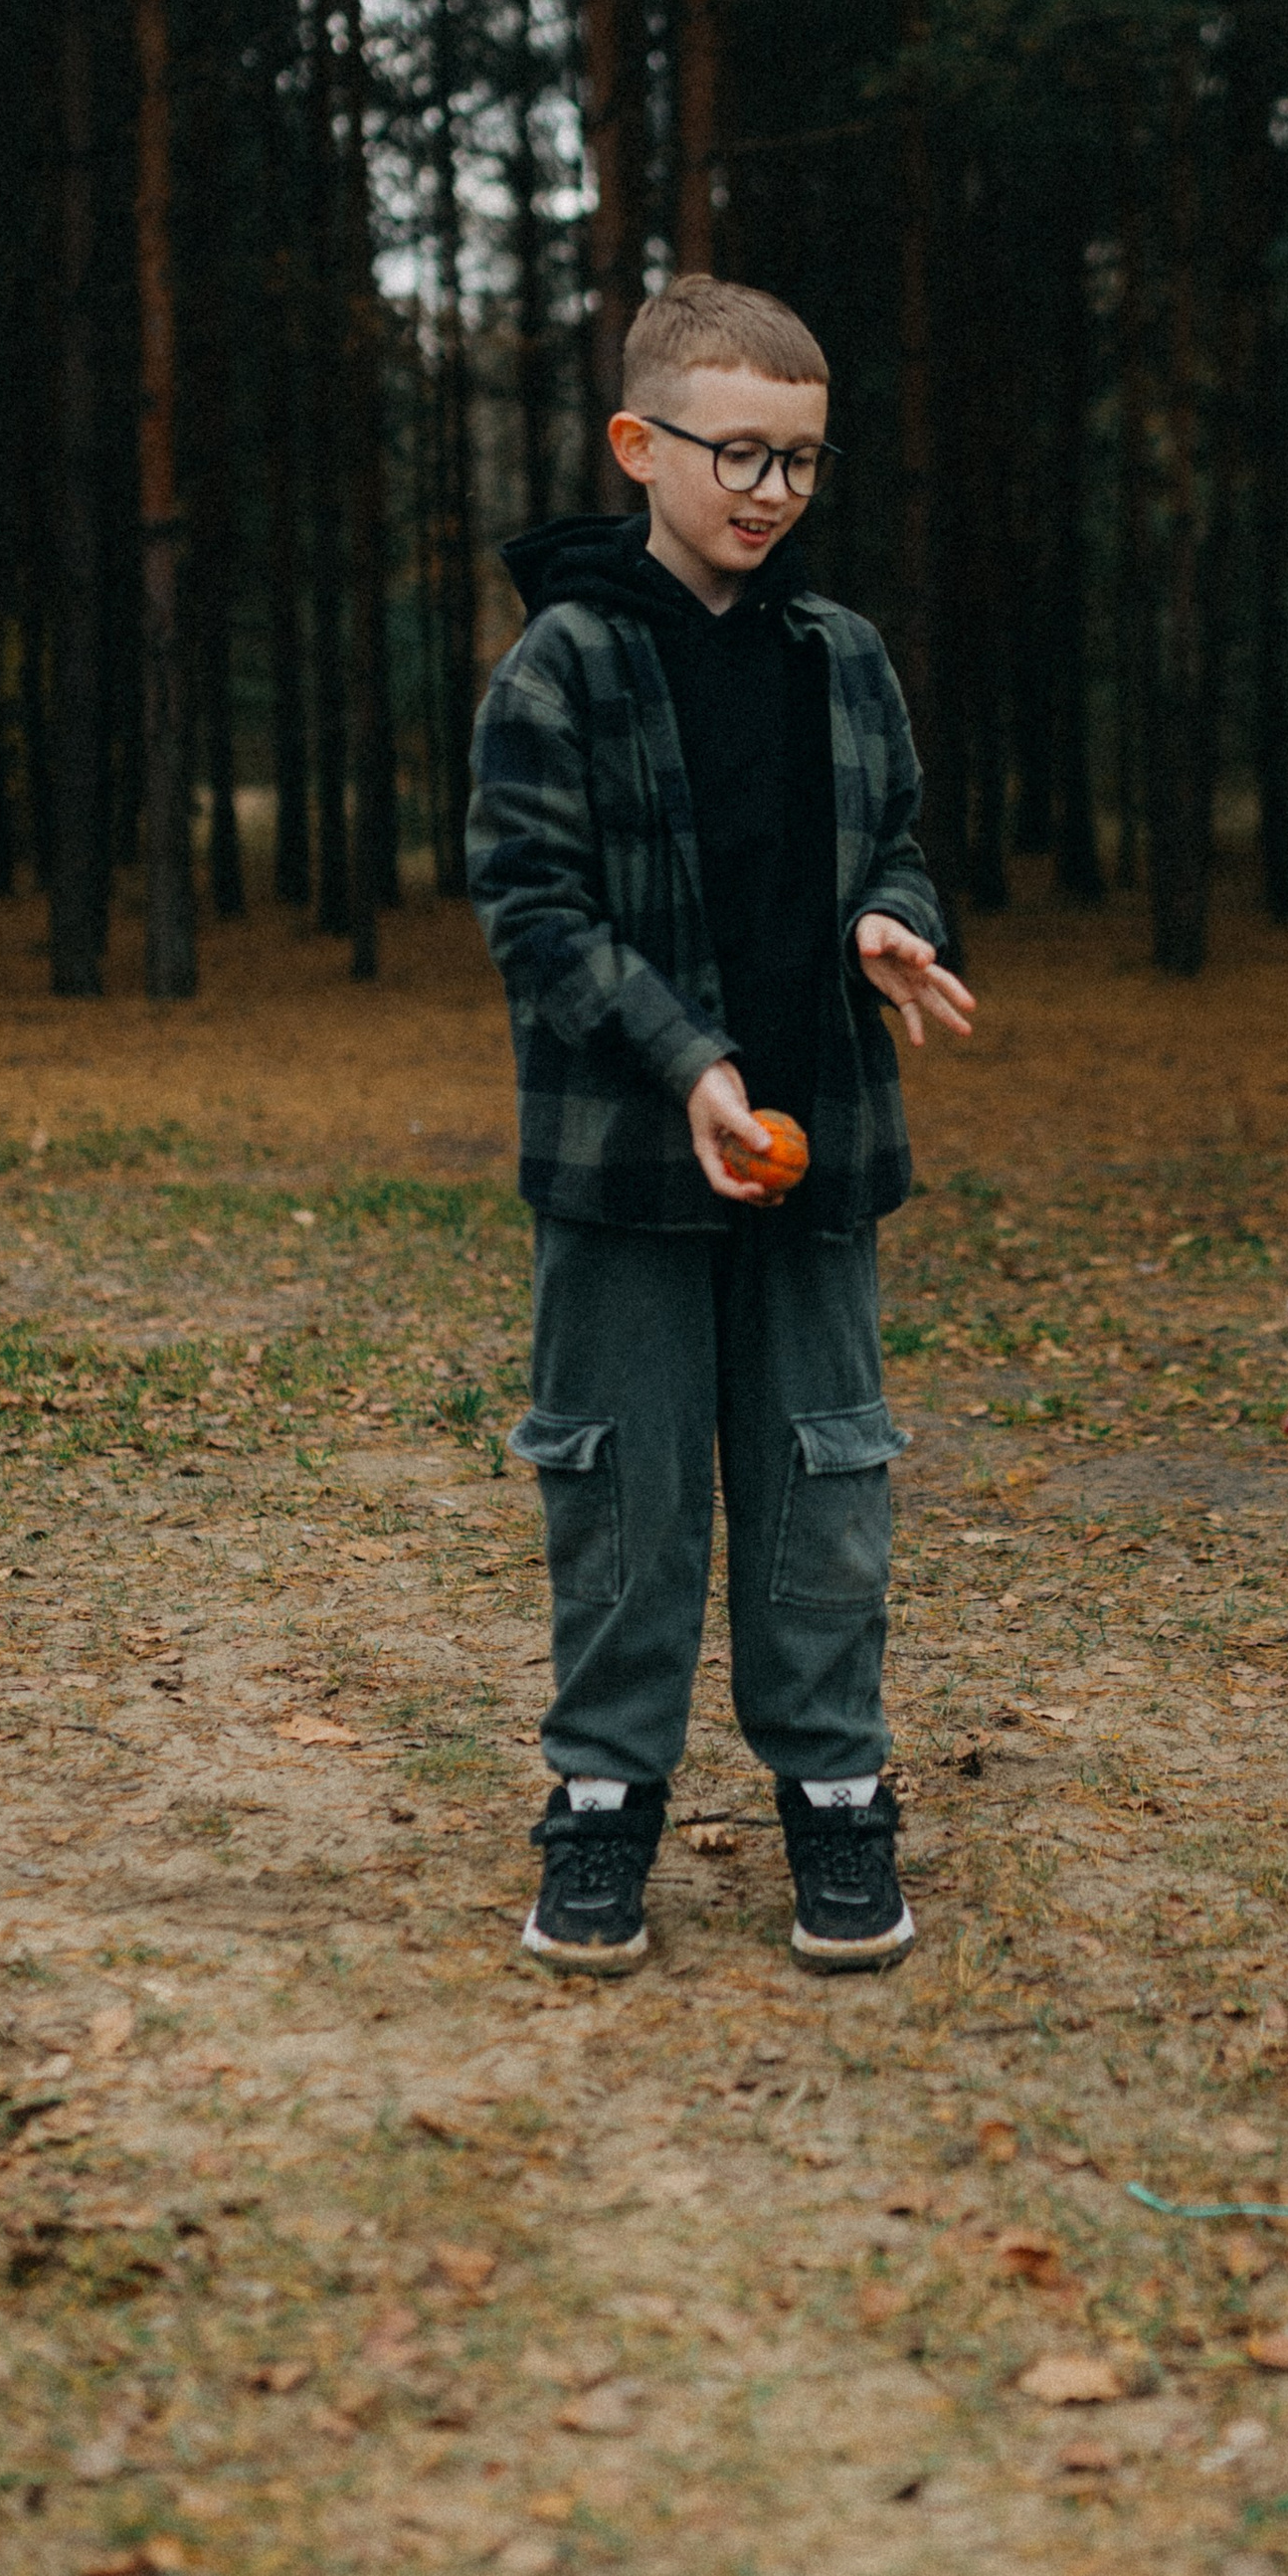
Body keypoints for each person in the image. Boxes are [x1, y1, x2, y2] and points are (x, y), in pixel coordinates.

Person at [465, 275, 974, 1978]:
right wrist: (686, 1060)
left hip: (815, 1149)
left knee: (826, 1478)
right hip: (624, 1161)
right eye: (738, 453)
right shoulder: (564, 660)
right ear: (640, 444)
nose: (771, 490)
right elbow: (533, 906)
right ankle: (603, 1805)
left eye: (801, 461)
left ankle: (836, 1798)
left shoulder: (844, 657)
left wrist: (889, 923)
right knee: (625, 1491)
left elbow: (893, 843)